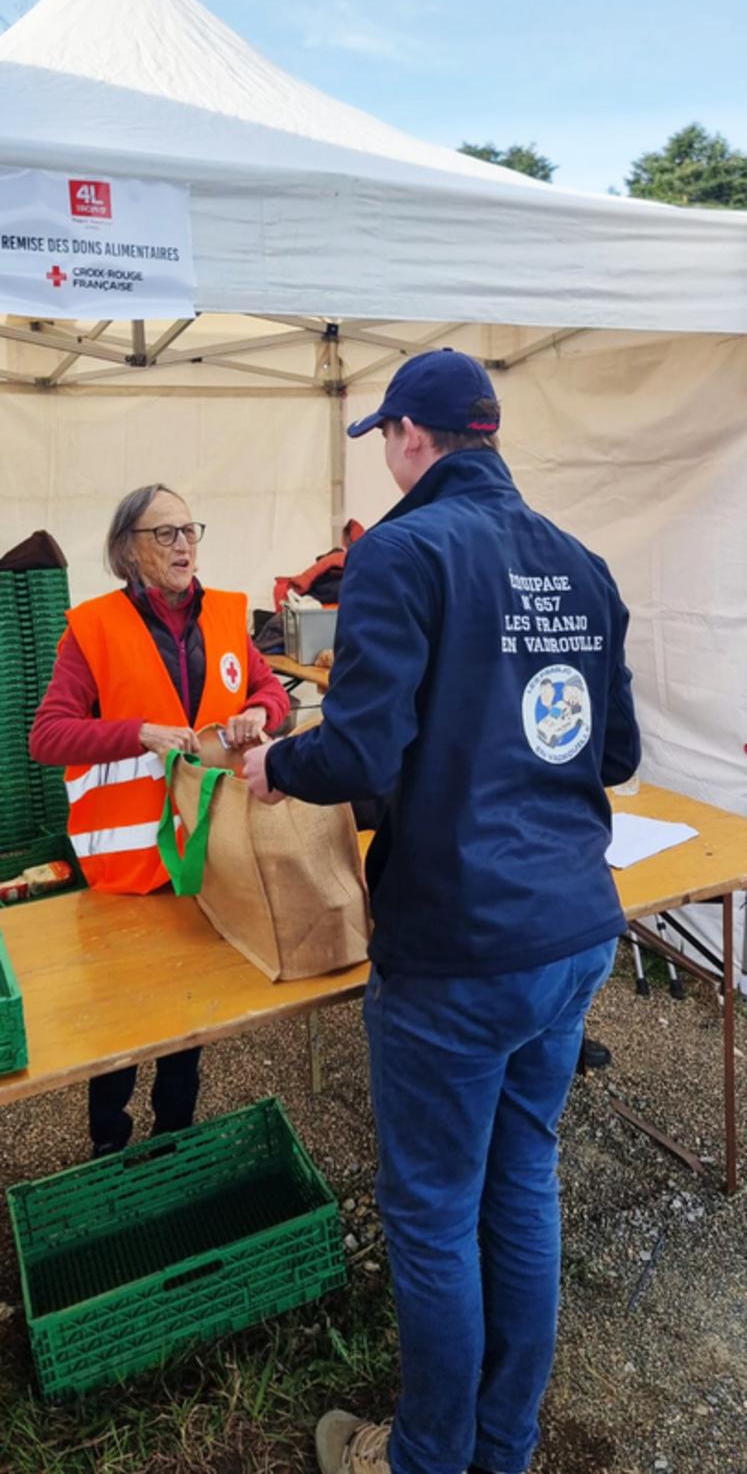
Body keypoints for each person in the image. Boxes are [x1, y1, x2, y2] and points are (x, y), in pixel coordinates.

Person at [243, 349, 640, 1474]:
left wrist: (280, 760)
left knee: (429, 1211)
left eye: (385, 440)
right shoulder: (582, 563)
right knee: (522, 1176)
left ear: (411, 437)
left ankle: (422, 1456)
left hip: (461, 944)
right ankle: (501, 1447)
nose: (387, 458)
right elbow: (611, 750)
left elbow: (362, 749)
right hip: (571, 931)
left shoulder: (403, 552)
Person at [30, 482, 290, 1156]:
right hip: (124, 871)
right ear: (126, 550)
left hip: (206, 857)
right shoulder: (91, 629)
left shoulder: (228, 617)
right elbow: (48, 737)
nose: (183, 545)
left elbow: (267, 691)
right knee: (118, 1032)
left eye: (189, 530)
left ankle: (174, 1140)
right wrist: (136, 732)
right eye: (164, 534)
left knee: (188, 1025)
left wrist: (260, 712)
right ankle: (109, 1149)